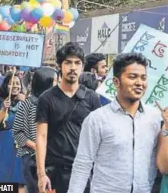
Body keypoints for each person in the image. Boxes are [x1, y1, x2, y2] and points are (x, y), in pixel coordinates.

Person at [68, 53, 161, 193]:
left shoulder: (154, 118)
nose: (139, 83)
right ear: (116, 82)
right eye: (132, 77)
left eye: (143, 78)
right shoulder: (97, 119)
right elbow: (83, 164)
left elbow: (156, 161)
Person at [36, 42, 101, 193]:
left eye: (77, 63)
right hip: (55, 171)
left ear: (82, 66)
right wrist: (41, 174)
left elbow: (98, 136)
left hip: (84, 171)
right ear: (60, 66)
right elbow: (41, 136)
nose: (73, 67)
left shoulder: (91, 97)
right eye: (68, 62)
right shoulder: (46, 98)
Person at [13, 67, 58, 193]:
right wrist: (34, 145)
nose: (58, 84)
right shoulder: (28, 104)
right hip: (31, 158)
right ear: (46, 82)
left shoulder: (55, 103)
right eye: (55, 81)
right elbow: (17, 131)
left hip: (52, 158)